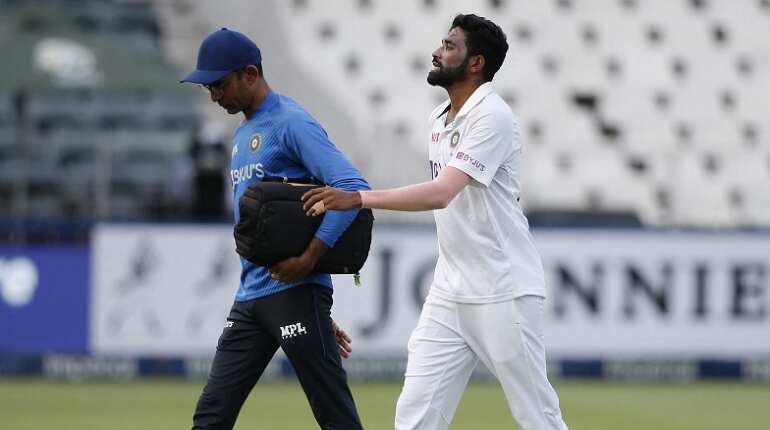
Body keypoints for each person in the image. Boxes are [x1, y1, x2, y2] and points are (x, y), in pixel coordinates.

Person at [302, 14, 569, 430]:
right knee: (415, 416)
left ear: (475, 63)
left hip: (503, 290)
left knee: (537, 416)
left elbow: (442, 194)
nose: (436, 51)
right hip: (449, 291)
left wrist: (357, 198)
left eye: (449, 46)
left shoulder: (491, 116)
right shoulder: (438, 119)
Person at [180, 28, 367, 430]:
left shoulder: (291, 122)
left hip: (295, 295)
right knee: (210, 417)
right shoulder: (242, 132)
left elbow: (352, 188)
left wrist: (309, 262)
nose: (213, 94)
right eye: (208, 87)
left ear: (250, 73)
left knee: (336, 418)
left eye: (219, 83)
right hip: (251, 300)